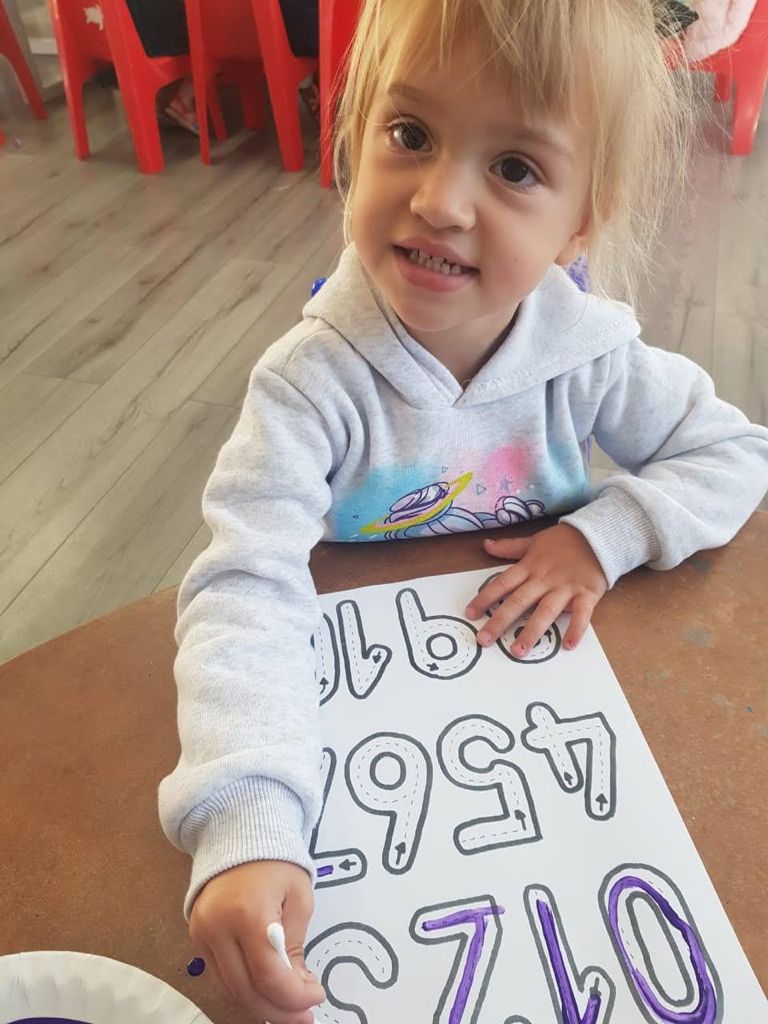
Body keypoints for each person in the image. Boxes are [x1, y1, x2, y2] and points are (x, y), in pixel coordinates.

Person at [158, 1, 768, 1021]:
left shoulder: (589, 357)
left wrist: (601, 537)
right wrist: (248, 817)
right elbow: (243, 585)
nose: (439, 201)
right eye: (410, 133)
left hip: (558, 757)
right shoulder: (310, 385)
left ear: (582, 221)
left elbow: (736, 450)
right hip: (364, 759)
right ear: (355, 133)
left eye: (515, 168)